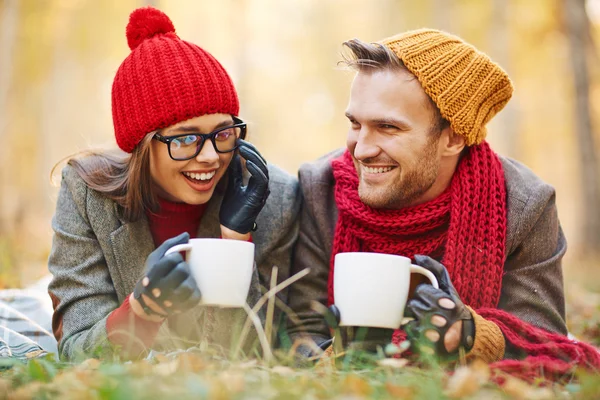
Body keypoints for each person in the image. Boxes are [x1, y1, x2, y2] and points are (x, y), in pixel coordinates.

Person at [287, 29, 600, 379]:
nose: (361, 149)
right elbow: (300, 327)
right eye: (355, 124)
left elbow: (542, 339)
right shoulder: (320, 188)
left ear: (453, 138)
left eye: (387, 127)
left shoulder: (525, 205)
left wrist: (470, 334)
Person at [48, 6, 300, 361]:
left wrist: (234, 242)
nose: (212, 157)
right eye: (185, 139)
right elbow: (76, 352)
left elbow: (256, 354)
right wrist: (141, 311)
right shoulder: (87, 194)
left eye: (223, 132)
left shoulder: (277, 199)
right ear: (142, 144)